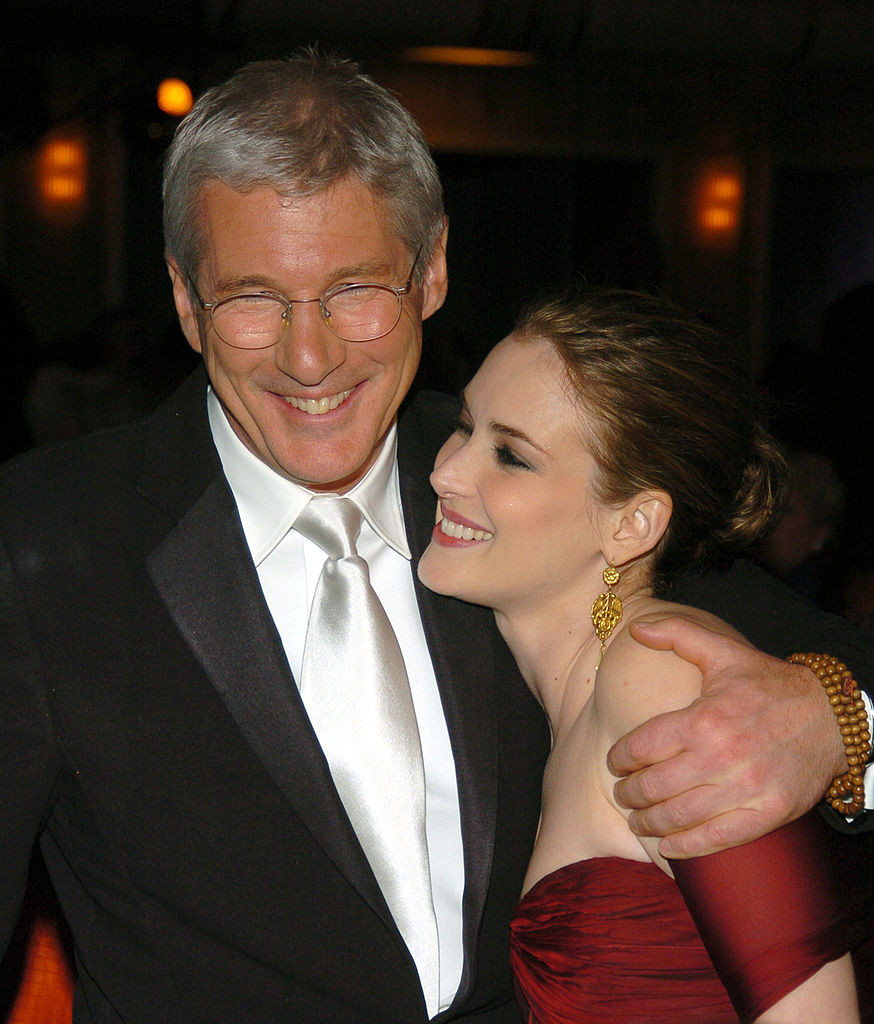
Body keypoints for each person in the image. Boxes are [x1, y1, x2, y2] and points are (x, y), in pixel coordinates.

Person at [0, 50, 872, 1024]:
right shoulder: (45, 542)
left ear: (433, 270)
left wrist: (833, 719)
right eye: (252, 296)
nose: (309, 355)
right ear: (182, 297)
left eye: (354, 289)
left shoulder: (528, 486)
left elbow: (836, 661)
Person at [418, 288, 872, 1022]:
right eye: (464, 426)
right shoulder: (579, 694)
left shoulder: (656, 675)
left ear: (632, 524)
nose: (445, 472)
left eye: (511, 456)